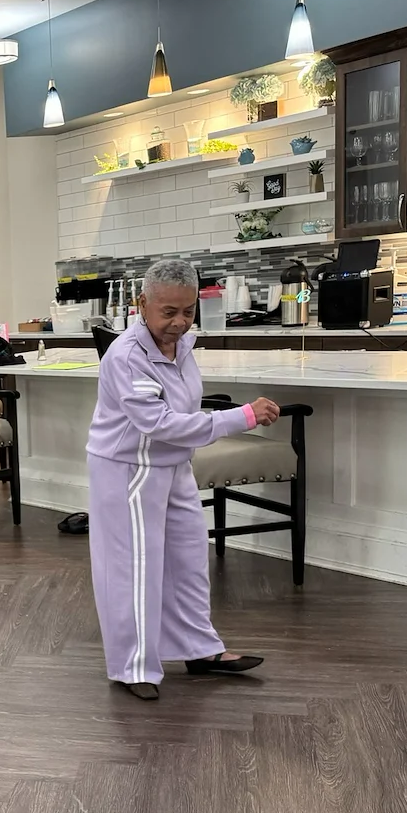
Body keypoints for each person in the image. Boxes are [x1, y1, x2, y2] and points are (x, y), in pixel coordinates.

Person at [87, 259, 277, 701]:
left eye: (188, 311)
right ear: (141, 305)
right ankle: (133, 666)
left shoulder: (185, 344)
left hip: (172, 466)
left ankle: (199, 649)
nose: (179, 323)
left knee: (189, 558)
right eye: (167, 312)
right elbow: (163, 423)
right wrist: (242, 416)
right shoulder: (127, 356)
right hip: (128, 468)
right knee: (134, 567)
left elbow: (181, 416)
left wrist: (220, 421)